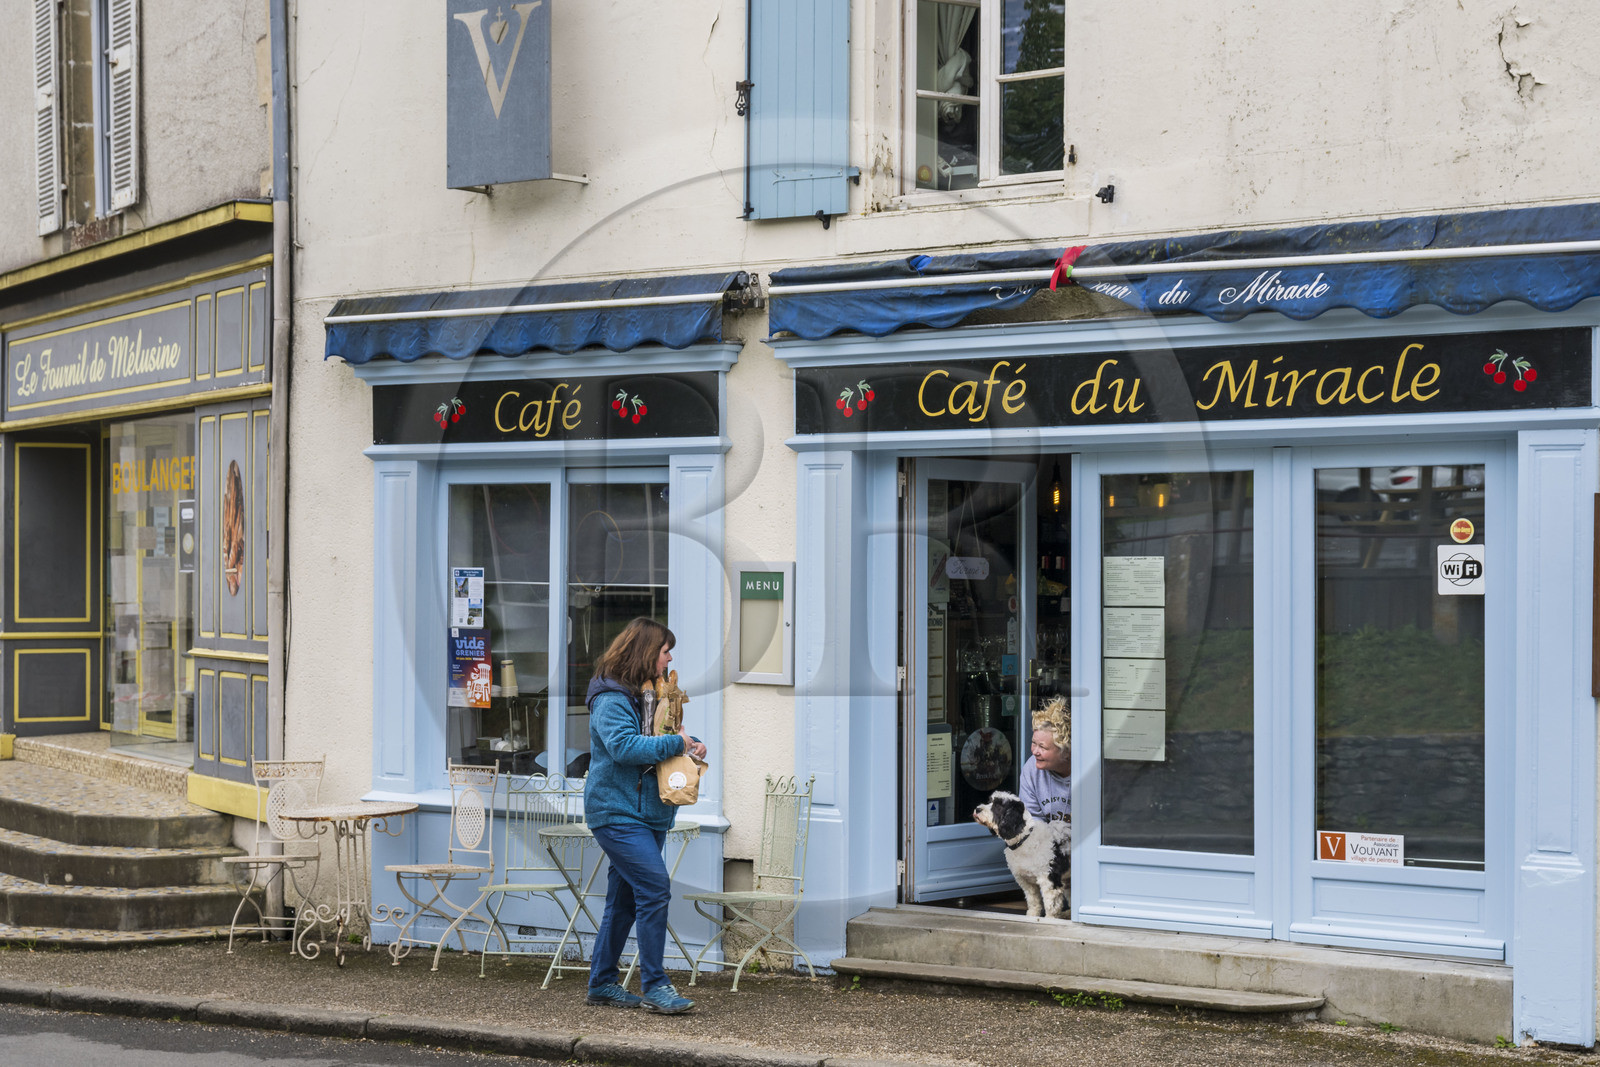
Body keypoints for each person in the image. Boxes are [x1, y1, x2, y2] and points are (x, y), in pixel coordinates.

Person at [582, 617, 708, 1014]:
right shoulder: (611, 697)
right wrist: (676, 741)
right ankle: (656, 986)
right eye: (664, 650)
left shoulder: (650, 695)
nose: (669, 658)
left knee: (621, 902)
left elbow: (658, 741)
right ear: (645, 652)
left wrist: (692, 745)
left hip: (649, 813)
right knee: (654, 888)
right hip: (615, 811)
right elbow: (623, 747)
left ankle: (602, 983)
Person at [1020, 696, 1071, 824]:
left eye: (1042, 747)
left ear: (1066, 751)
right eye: (1033, 743)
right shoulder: (1031, 769)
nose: (1035, 752)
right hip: (1045, 841)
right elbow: (1031, 821)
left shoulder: (1087, 769)